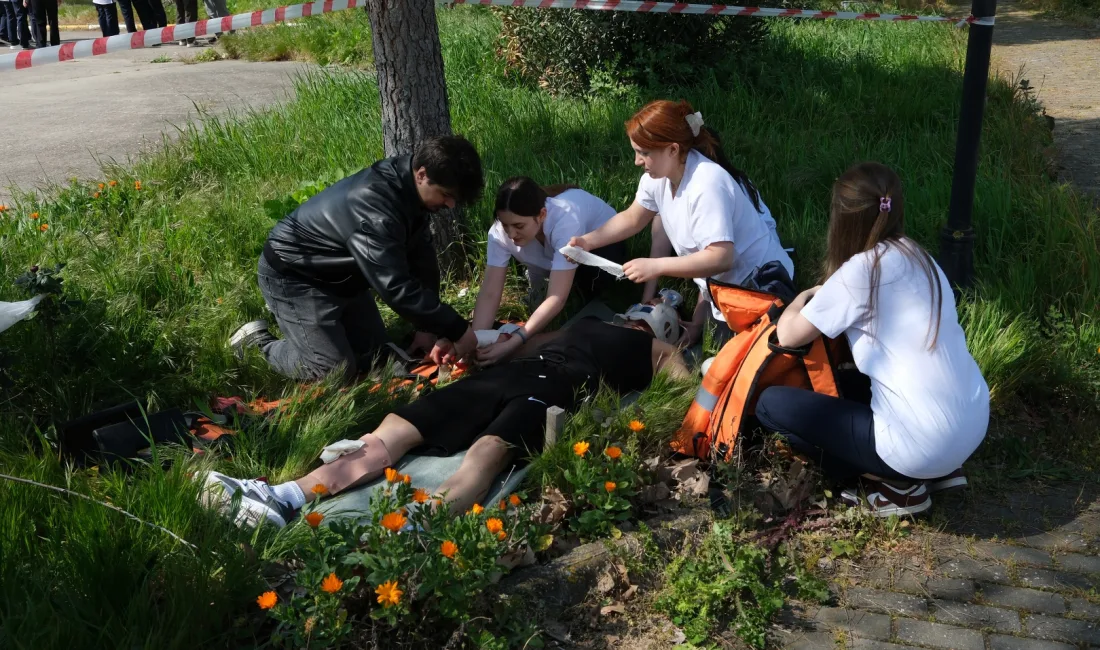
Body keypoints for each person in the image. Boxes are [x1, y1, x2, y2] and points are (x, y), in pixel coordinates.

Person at [206, 304, 690, 528]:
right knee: (394, 428)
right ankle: (283, 497)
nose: (631, 318)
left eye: (643, 316)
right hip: (512, 374)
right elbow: (518, 341)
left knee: (489, 452)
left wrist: (685, 354)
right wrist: (480, 345)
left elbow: (680, 382)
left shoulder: (652, 345)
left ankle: (416, 526)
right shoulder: (584, 323)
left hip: (554, 389)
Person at [756, 162, 989, 518]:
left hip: (922, 444)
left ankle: (896, 484)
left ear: (842, 219)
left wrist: (801, 298)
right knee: (848, 382)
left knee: (771, 404)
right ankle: (940, 472)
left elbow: (788, 335)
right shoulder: (923, 258)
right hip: (971, 424)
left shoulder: (860, 271)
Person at [230, 136, 485, 383]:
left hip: (343, 276)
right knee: (333, 370)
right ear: (421, 174)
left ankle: (329, 334)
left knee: (379, 357)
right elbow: (395, 287)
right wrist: (457, 329)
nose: (451, 205)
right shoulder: (376, 208)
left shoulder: (410, 186)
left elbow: (422, 259)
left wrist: (428, 327)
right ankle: (259, 344)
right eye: (446, 195)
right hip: (296, 277)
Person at [568, 99, 794, 350]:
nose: (637, 161)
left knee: (734, 362)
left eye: (644, 153)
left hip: (760, 289)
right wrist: (587, 241)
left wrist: (656, 266)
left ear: (673, 149)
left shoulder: (707, 184)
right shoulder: (657, 178)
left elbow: (721, 258)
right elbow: (632, 218)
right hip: (722, 291)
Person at [471, 177, 625, 366]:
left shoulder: (567, 220)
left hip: (601, 250)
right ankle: (546, 273)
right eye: (505, 226)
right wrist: (475, 340)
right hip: (551, 252)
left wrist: (515, 341)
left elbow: (556, 298)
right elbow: (490, 292)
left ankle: (567, 278)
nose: (511, 235)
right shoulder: (498, 233)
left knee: (594, 289)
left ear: (542, 214)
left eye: (519, 226)